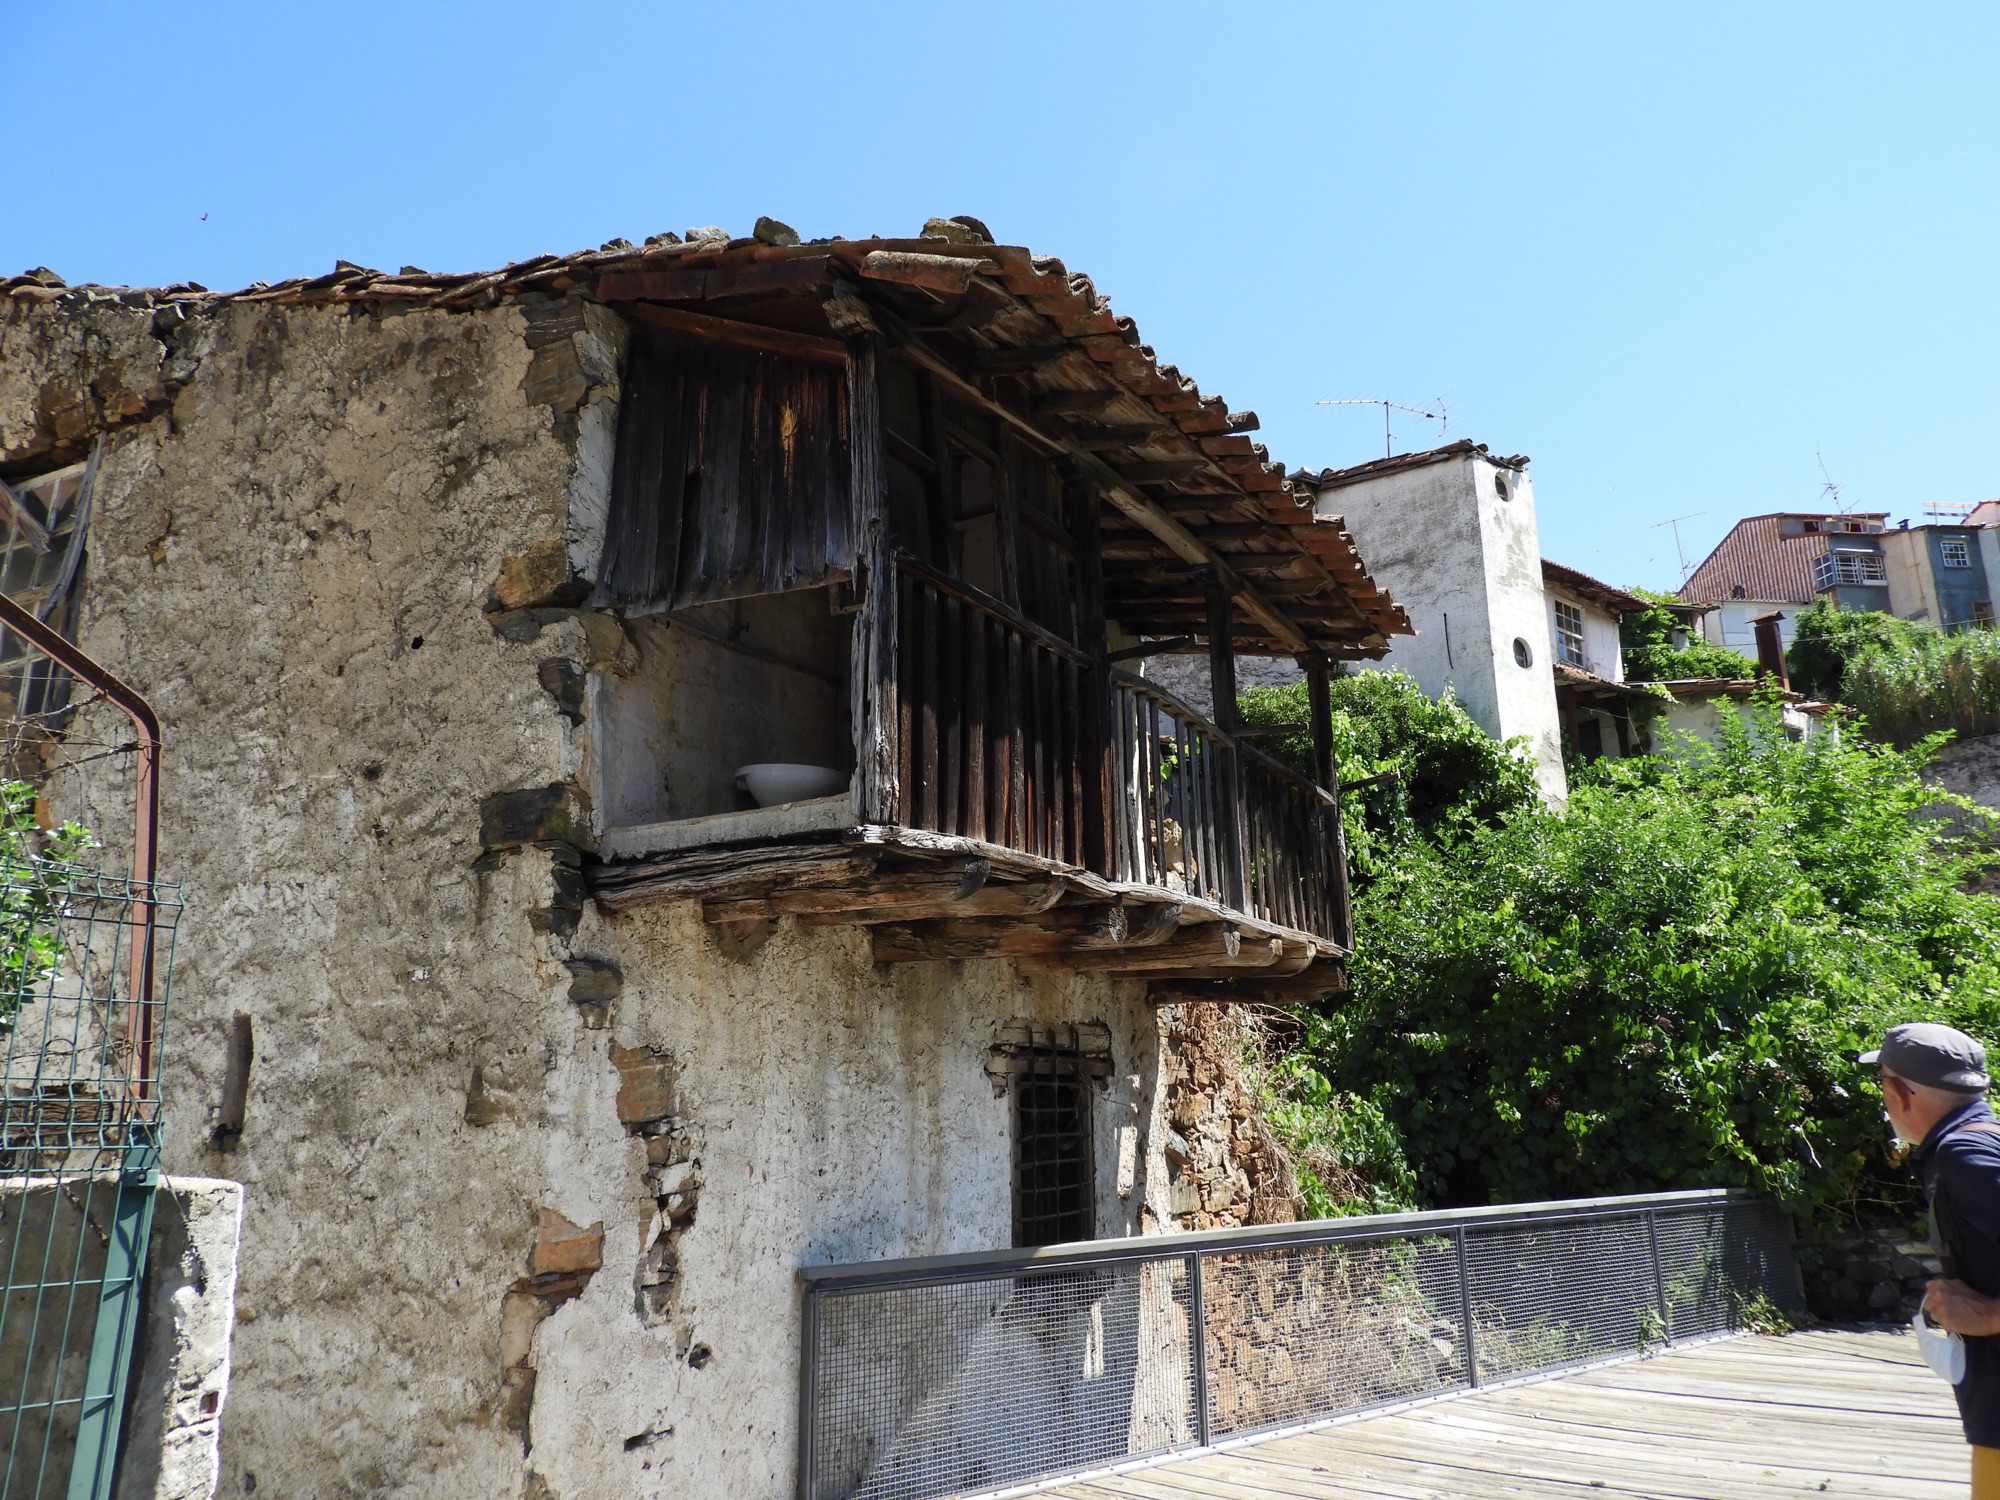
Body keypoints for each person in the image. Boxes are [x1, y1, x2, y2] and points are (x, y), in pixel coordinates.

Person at [1865, 1022, 2000, 1494]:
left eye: (1882, 1083)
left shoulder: (1964, 1154)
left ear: (1900, 1093)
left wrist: (1990, 1314)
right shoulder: (1982, 1140)